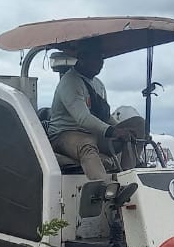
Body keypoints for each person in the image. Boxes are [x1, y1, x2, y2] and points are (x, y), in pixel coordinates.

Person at [47, 39, 147, 181]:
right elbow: (83, 118)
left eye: (102, 58)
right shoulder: (70, 82)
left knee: (138, 124)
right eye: (96, 58)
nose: (100, 63)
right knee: (86, 145)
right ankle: (103, 191)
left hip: (95, 133)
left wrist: (123, 130)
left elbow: (105, 117)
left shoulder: (98, 85)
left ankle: (128, 177)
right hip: (64, 134)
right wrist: (114, 131)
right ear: (82, 58)